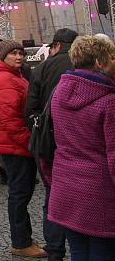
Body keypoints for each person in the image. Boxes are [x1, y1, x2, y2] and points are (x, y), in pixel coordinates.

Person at [48, 35, 115, 261]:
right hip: (100, 193)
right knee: (102, 253)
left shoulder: (59, 93)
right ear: (99, 62)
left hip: (66, 186)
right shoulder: (108, 101)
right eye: (112, 57)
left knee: (78, 252)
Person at [0, 40, 46, 258]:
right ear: (3, 57)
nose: (19, 57)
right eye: (13, 54)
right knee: (20, 194)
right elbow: (10, 118)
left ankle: (24, 238)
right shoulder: (5, 79)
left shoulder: (12, 76)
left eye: (21, 53)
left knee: (22, 192)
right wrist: (29, 141)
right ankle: (20, 242)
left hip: (14, 144)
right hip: (15, 145)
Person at [25, 28, 77, 261]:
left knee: (52, 195)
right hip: (80, 139)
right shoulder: (85, 63)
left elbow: (31, 107)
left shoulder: (43, 67)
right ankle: (82, 246)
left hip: (50, 140)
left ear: (55, 46)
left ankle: (55, 249)